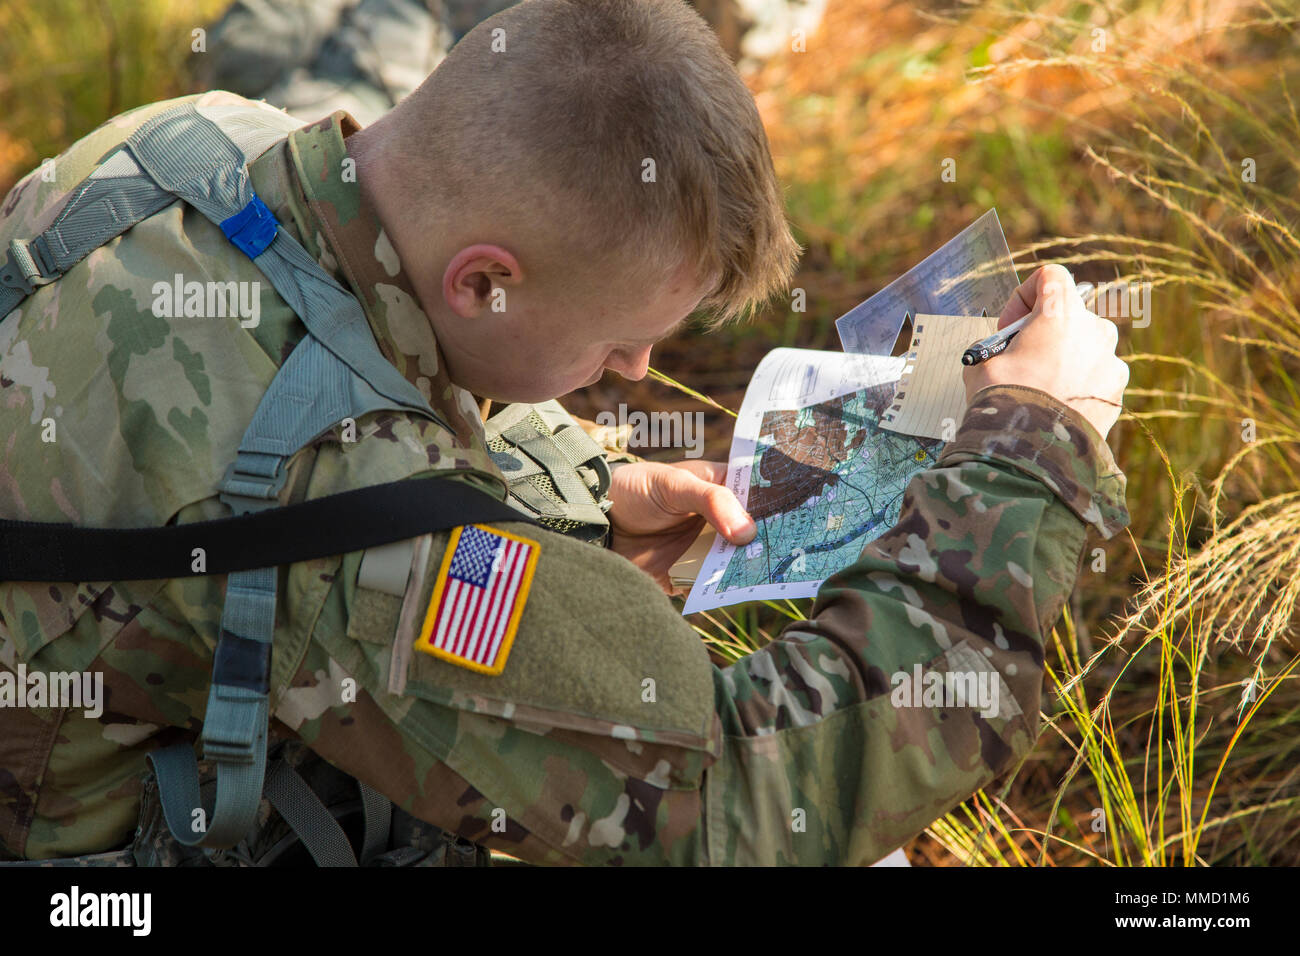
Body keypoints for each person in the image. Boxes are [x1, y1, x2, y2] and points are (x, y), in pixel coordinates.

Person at [0, 0, 1127, 866]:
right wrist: (1032, 449)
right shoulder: (352, 527)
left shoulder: (197, 141)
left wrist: (577, 483)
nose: (635, 370)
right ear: (485, 279)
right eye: (616, 344)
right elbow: (732, 799)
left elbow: (331, 351)